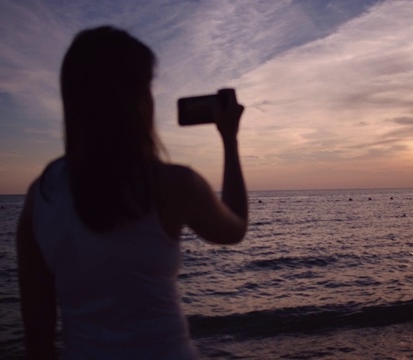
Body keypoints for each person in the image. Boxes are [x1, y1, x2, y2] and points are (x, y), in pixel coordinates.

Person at [16, 26, 247, 359]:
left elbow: (37, 341)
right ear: (138, 101)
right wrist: (229, 138)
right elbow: (235, 227)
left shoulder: (41, 198)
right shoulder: (173, 185)